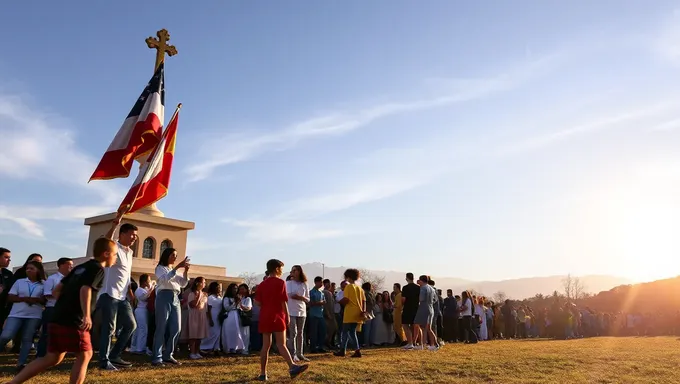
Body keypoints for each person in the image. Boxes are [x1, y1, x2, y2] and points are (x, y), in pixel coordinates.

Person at [8, 237, 116, 384]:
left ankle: (12, 383)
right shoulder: (98, 269)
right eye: (115, 254)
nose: (116, 258)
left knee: (52, 357)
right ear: (106, 254)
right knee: (86, 354)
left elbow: (57, 290)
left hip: (57, 316)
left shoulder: (80, 267)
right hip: (74, 319)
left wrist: (66, 304)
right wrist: (86, 315)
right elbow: (85, 289)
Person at [97, 211, 138, 370]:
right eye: (132, 234)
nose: (134, 237)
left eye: (135, 235)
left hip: (123, 297)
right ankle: (103, 360)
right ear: (122, 234)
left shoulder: (130, 252)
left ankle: (114, 355)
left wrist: (130, 292)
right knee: (110, 329)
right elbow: (105, 241)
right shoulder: (114, 248)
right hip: (109, 295)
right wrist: (114, 224)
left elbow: (126, 274)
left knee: (130, 325)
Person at [255, 259, 308, 381]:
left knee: (265, 346)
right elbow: (283, 301)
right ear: (277, 269)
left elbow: (257, 302)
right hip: (278, 316)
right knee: (281, 344)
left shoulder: (262, 284)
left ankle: (263, 373)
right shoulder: (280, 282)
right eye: (282, 269)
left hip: (265, 316)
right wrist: (287, 315)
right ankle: (292, 367)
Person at [0, 261, 47, 370]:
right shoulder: (20, 282)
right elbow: (10, 297)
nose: (28, 271)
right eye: (27, 269)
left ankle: (21, 363)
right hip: (16, 313)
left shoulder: (44, 284)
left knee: (27, 338)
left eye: (32, 269)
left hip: (34, 315)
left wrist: (37, 300)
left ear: (38, 271)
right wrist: (25, 299)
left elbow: (46, 299)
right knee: (6, 335)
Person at [152, 247, 189, 366]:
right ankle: (157, 357)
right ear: (166, 256)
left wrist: (185, 271)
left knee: (176, 328)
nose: (175, 257)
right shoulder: (160, 268)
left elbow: (183, 283)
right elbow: (164, 280)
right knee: (161, 327)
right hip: (164, 296)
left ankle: (168, 354)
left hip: (175, 297)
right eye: (173, 255)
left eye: (176, 255)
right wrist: (178, 267)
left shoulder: (173, 270)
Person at [38, 257, 73, 358]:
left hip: (66, 309)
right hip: (52, 308)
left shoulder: (71, 279)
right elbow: (47, 294)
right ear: (61, 265)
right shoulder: (52, 279)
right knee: (47, 333)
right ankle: (41, 355)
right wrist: (63, 297)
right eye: (69, 264)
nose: (71, 267)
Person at [334, 268, 366, 358]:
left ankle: (343, 350)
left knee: (345, 331)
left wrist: (338, 301)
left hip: (349, 311)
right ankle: (356, 350)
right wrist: (363, 311)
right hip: (358, 312)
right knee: (352, 332)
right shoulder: (360, 288)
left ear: (348, 277)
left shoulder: (348, 287)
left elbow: (346, 299)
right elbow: (364, 301)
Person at [286, 265, 310, 362]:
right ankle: (293, 354)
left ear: (299, 271)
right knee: (293, 333)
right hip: (291, 310)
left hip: (302, 311)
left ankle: (300, 354)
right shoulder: (288, 283)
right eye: (291, 271)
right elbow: (290, 295)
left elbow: (308, 299)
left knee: (300, 332)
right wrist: (301, 298)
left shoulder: (305, 284)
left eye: (294, 270)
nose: (292, 272)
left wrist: (301, 298)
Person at [131, 274, 155, 354]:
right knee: (143, 329)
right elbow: (144, 298)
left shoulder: (145, 289)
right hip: (141, 310)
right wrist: (151, 288)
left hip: (144, 310)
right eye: (148, 280)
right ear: (144, 282)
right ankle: (140, 348)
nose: (149, 282)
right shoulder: (139, 290)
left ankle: (135, 347)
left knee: (140, 329)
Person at [187, 277, 208, 359]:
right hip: (194, 315)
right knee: (193, 335)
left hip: (202, 315)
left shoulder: (205, 294)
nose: (204, 284)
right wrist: (199, 294)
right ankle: (192, 352)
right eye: (203, 282)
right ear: (197, 283)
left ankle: (197, 352)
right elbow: (193, 305)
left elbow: (205, 307)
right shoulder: (192, 294)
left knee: (199, 335)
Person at [200, 282, 223, 354]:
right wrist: (210, 319)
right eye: (218, 287)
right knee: (212, 333)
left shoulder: (220, 297)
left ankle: (216, 348)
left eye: (220, 287)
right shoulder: (210, 297)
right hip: (213, 315)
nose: (219, 289)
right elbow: (208, 309)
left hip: (219, 316)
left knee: (218, 333)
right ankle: (203, 347)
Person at [400, 273, 420, 349]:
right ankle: (414, 341)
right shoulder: (418, 287)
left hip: (407, 308)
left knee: (405, 324)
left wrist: (402, 305)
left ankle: (410, 342)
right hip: (416, 308)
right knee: (414, 325)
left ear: (407, 278)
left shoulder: (405, 288)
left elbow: (403, 299)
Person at [308, 276, 326, 353]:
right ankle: (313, 347)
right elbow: (311, 303)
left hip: (320, 314)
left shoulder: (321, 293)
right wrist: (319, 303)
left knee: (322, 331)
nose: (321, 284)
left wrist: (322, 303)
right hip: (313, 315)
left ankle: (320, 346)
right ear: (316, 282)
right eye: (320, 282)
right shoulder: (311, 292)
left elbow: (324, 302)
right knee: (314, 332)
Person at [0, 248, 14, 326]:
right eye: (6, 257)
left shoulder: (8, 274)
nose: (9, 260)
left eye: (9, 258)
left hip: (3, 310)